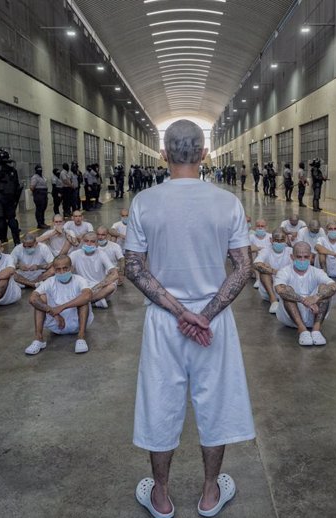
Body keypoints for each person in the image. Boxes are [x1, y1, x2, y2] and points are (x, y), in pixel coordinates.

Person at [125, 120, 254, 518]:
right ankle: (211, 492)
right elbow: (243, 267)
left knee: (160, 403)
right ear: (203, 154)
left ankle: (161, 496)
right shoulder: (227, 202)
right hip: (212, 322)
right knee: (215, 404)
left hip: (165, 322)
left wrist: (179, 312)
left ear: (163, 154)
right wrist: (204, 314)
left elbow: (134, 268)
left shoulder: (144, 202)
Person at [25, 255, 97, 355]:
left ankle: (81, 337)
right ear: (54, 270)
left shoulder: (79, 280)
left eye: (65, 268)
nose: (62, 272)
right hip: (57, 326)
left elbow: (87, 296)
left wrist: (62, 307)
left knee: (83, 300)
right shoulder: (49, 282)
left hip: (77, 324)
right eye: (58, 269)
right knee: (40, 299)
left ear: (71, 268)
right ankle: (38, 339)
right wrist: (54, 313)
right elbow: (32, 299)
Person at [274, 242, 336, 346]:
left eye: (306, 257)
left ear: (311, 256)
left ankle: (316, 330)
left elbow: (334, 287)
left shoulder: (317, 272)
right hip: (290, 317)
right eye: (299, 257)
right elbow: (280, 290)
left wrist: (316, 297)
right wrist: (305, 301)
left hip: (314, 314)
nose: (302, 260)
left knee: (325, 289)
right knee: (287, 290)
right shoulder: (284, 271)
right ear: (292, 257)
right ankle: (302, 330)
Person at [69, 231, 119, 308]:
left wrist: (96, 288)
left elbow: (114, 274)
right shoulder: (75, 254)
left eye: (92, 241)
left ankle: (83, 303)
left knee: (112, 286)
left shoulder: (101, 254)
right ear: (82, 241)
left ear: (97, 243)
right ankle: (94, 302)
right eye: (86, 241)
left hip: (98, 289)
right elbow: (67, 270)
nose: (89, 244)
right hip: (82, 287)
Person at [254, 229, 293, 313]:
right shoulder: (265, 251)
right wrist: (273, 271)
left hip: (285, 288)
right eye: (276, 240)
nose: (279, 243)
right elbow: (256, 264)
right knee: (264, 271)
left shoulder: (290, 251)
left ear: (286, 240)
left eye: (282, 240)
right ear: (271, 240)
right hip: (269, 290)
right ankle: (274, 301)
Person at [0, 148, 22, 245]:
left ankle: (1, 239)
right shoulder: (13, 170)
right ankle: (16, 241)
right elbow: (17, 186)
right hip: (11, 199)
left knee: (0, 220)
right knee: (12, 219)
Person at [30, 164, 49, 229]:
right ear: (36, 170)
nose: (40, 170)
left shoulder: (42, 177)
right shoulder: (35, 177)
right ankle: (40, 223)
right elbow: (32, 187)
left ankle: (42, 222)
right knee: (39, 209)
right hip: (39, 195)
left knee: (43, 209)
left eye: (41, 169)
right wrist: (36, 193)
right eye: (38, 169)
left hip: (44, 195)